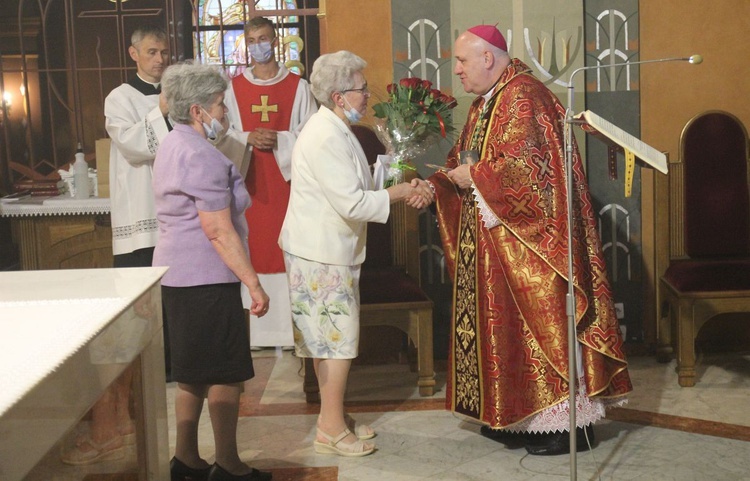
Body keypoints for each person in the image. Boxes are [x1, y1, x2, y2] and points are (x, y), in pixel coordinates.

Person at [426, 25, 633, 456]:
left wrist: (475, 177)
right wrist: (434, 185)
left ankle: (571, 425)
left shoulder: (524, 96)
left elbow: (533, 176)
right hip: (496, 246)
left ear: (488, 58)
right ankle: (516, 418)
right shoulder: (487, 103)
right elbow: (464, 159)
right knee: (507, 339)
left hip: (535, 249)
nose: (458, 72)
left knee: (544, 333)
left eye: (462, 62)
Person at [279, 50, 433, 457]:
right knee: (335, 341)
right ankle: (330, 429)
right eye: (361, 89)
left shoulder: (335, 127)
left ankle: (333, 417)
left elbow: (358, 184)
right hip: (319, 253)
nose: (367, 95)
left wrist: (391, 171)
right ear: (338, 95)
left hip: (326, 250)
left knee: (327, 339)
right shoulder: (324, 134)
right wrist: (401, 192)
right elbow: (351, 203)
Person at [153, 61, 272, 481]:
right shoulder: (200, 154)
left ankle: (185, 458)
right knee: (224, 371)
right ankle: (229, 464)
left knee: (192, 372)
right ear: (197, 111)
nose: (225, 114)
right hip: (205, 276)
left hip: (176, 276)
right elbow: (219, 230)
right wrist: (253, 282)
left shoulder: (172, 143)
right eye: (220, 105)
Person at [60, 25, 171, 466]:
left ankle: (130, 415)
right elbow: (133, 145)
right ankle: (117, 418)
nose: (159, 59)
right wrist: (163, 108)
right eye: (151, 52)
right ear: (133, 54)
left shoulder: (175, 92)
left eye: (164, 52)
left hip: (175, 223)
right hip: (140, 225)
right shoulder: (119, 97)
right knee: (128, 325)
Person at [223, 16, 317, 350]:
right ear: (245, 44)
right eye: (251, 40)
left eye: (263, 39)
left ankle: (289, 332)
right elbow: (222, 134)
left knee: (286, 247)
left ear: (275, 41)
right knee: (255, 247)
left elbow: (311, 135)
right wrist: (248, 136)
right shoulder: (232, 89)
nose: (258, 46)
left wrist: (280, 139)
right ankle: (258, 333)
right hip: (248, 182)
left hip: (287, 183)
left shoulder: (298, 87)